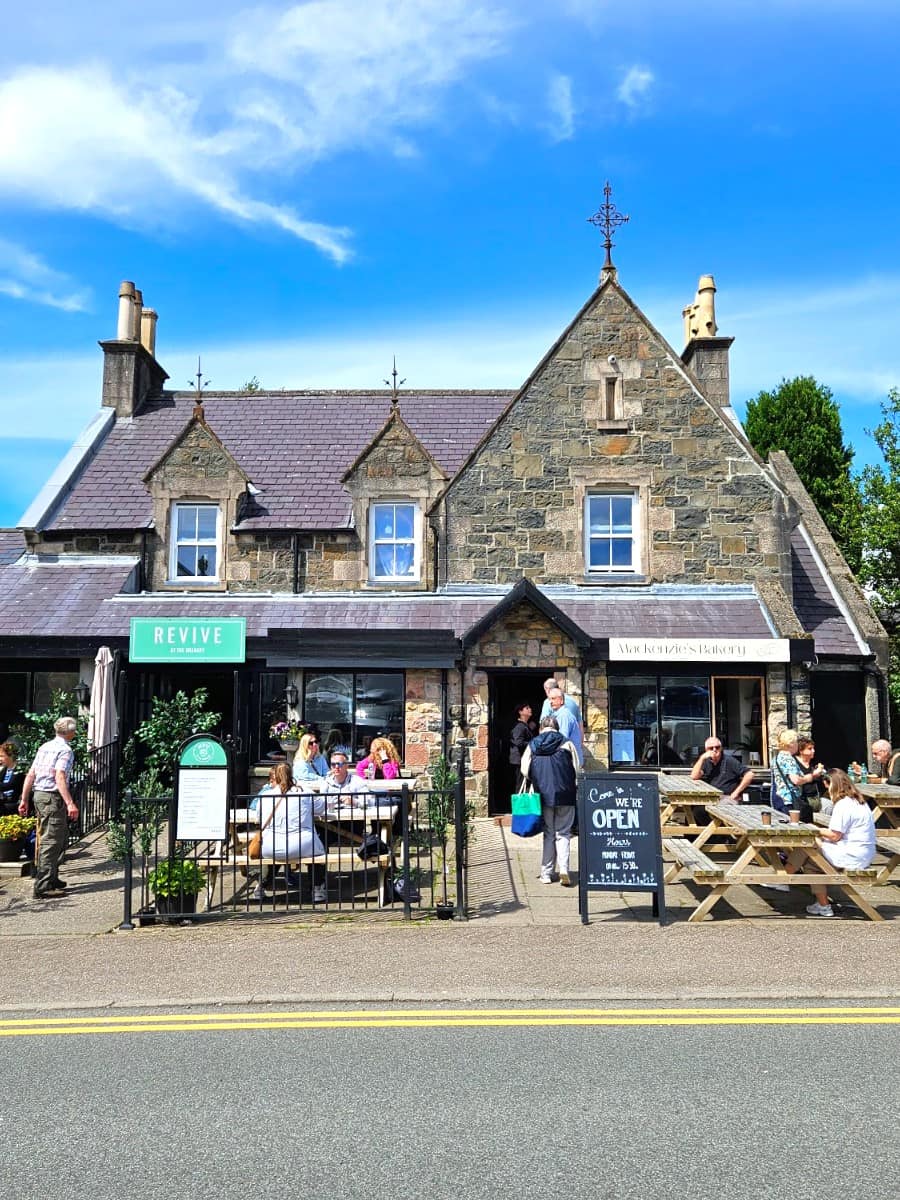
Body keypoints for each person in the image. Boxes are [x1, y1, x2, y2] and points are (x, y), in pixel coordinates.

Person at [796, 769, 876, 918]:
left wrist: (815, 830)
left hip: (851, 854)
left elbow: (834, 835)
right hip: (864, 853)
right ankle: (786, 876)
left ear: (832, 785)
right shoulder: (860, 802)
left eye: (827, 786)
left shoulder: (843, 805)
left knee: (810, 858)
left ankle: (822, 904)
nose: (827, 791)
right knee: (811, 849)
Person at [20, 716, 79, 900]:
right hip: (52, 797)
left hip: (40, 795)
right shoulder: (65, 750)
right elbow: (59, 776)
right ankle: (43, 886)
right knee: (51, 840)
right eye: (74, 730)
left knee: (58, 838)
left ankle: (52, 877)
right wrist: (70, 803)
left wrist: (24, 799)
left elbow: (31, 773)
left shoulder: (45, 747)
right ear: (70, 732)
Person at [253, 763, 327, 903]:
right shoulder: (304, 792)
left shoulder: (266, 796)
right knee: (319, 852)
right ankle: (317, 889)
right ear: (291, 775)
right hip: (301, 844)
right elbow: (321, 807)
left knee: (276, 850)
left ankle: (260, 887)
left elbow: (258, 817)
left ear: (275, 777)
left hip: (270, 846)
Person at [520, 715, 578, 887]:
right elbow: (577, 768)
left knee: (549, 833)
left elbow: (524, 769)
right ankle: (564, 869)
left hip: (543, 794)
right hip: (566, 794)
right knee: (564, 833)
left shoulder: (533, 744)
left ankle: (546, 873)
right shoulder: (567, 743)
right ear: (557, 728)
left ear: (541, 728)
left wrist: (537, 778)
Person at [771, 729, 826, 815]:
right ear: (791, 744)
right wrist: (813, 776)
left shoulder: (777, 757)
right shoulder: (788, 759)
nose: (798, 744)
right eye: (796, 742)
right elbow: (796, 780)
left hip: (778, 798)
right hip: (789, 800)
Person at [690, 736, 754, 802]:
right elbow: (694, 776)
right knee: (694, 804)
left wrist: (736, 793)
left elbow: (750, 774)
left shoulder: (729, 760)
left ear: (721, 748)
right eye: (711, 748)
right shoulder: (706, 761)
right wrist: (702, 758)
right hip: (709, 796)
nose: (714, 750)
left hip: (726, 797)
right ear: (706, 750)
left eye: (717, 747)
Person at [795, 736, 832, 820]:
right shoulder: (795, 764)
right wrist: (814, 774)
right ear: (801, 751)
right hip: (803, 800)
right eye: (810, 749)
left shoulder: (814, 763)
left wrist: (823, 772)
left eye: (813, 748)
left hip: (816, 798)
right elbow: (797, 780)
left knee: (832, 805)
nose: (813, 751)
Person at [546, 688, 584, 765]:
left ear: (561, 700)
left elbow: (562, 739)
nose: (550, 702)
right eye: (549, 699)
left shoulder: (564, 716)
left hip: (569, 761)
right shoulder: (560, 715)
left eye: (553, 698)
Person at [509, 702, 537, 790]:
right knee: (520, 784)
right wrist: (532, 743)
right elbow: (518, 742)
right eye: (527, 708)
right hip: (519, 759)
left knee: (523, 784)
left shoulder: (525, 726)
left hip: (522, 759)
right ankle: (519, 799)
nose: (530, 709)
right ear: (520, 712)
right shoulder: (519, 726)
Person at [0, 741, 24, 816]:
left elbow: (10, 785)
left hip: (13, 802)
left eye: (2, 756)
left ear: (11, 756)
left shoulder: (19, 769)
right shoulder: (5, 769)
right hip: (3, 800)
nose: (0, 759)